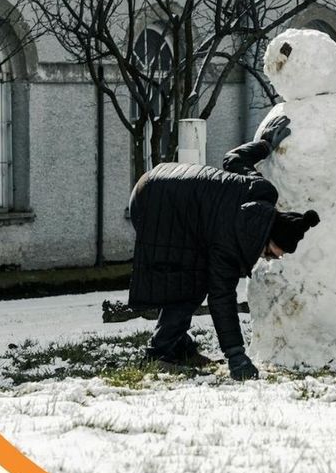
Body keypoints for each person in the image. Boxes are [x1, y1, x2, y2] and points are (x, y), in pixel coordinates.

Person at [127, 117, 320, 381]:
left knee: (188, 280)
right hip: (155, 204)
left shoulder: (263, 192)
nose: (273, 257)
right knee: (189, 285)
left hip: (162, 179)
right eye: (273, 252)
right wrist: (236, 356)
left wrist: (264, 145)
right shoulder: (229, 242)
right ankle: (159, 353)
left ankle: (176, 345)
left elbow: (234, 159)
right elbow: (222, 300)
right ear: (266, 235)